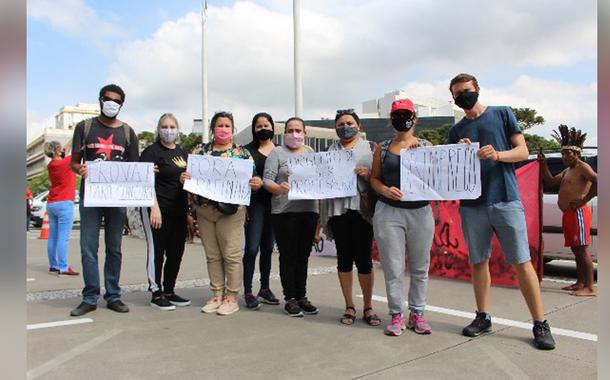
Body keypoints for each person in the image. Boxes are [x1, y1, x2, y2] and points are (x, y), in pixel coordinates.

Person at [447, 73, 555, 349]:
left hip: (505, 199)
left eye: (466, 91)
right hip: (472, 205)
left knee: (521, 261)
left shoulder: (502, 113)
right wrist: (458, 155)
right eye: (457, 94)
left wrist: (497, 155)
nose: (463, 97)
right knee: (478, 261)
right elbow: (451, 173)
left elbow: (522, 151)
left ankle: (540, 323)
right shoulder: (456, 131)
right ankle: (482, 316)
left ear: (478, 89)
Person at [181, 111, 262, 316]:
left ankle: (232, 296)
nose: (223, 129)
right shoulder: (200, 150)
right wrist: (185, 178)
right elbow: (191, 178)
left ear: (233, 129)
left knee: (232, 255)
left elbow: (253, 179)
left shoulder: (241, 153)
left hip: (231, 212)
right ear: (212, 129)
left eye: (227, 126)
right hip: (205, 210)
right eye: (219, 125)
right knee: (212, 255)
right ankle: (217, 294)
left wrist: (256, 183)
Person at [69, 84, 139, 317]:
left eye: (117, 101)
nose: (112, 104)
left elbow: (134, 168)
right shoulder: (84, 127)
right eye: (108, 99)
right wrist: (80, 169)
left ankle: (113, 295)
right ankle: (90, 296)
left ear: (122, 104)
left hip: (116, 197)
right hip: (91, 195)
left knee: (115, 248)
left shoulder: (128, 132)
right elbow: (74, 162)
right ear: (100, 100)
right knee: (88, 247)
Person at [370, 99, 434, 336]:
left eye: (406, 114)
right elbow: (374, 179)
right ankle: (396, 314)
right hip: (389, 212)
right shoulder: (383, 148)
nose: (402, 119)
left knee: (420, 267)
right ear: (391, 119)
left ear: (414, 117)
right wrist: (384, 189)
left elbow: (440, 177)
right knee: (393, 267)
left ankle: (417, 313)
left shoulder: (427, 145)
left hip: (420, 211)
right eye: (397, 115)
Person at [320, 109, 380, 326]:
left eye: (349, 122)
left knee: (364, 260)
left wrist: (368, 175)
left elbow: (381, 177)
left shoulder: (372, 148)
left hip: (362, 209)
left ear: (359, 126)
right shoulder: (327, 151)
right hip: (338, 210)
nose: (345, 127)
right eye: (341, 124)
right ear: (335, 128)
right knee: (344, 259)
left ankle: (368, 306)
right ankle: (349, 305)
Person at [263, 117, 319, 317]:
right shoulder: (276, 153)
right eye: (290, 130)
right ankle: (290, 298)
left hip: (308, 210)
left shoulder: (311, 153)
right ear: (284, 132)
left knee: (303, 256)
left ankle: (302, 296)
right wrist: (278, 188)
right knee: (288, 256)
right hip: (284, 211)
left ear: (304, 133)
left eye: (298, 130)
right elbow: (266, 180)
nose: (294, 134)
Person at [139, 113, 191, 311]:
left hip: (178, 210)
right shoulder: (151, 152)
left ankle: (169, 290)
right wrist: (154, 208)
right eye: (164, 126)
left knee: (176, 252)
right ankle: (156, 291)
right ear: (158, 129)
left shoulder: (182, 152)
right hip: (158, 209)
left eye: (172, 126)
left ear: (177, 129)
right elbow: (146, 181)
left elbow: (187, 181)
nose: (168, 130)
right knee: (157, 251)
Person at [539, 125, 597, 296]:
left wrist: (585, 199)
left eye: (568, 154)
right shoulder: (567, 170)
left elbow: (598, 180)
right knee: (576, 249)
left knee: (582, 249)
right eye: (563, 154)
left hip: (578, 213)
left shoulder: (582, 167)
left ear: (576, 154)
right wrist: (543, 165)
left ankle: (590, 287)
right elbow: (550, 182)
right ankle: (580, 282)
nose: (564, 157)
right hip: (568, 214)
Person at [242, 112, 280, 309]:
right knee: (251, 248)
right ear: (253, 129)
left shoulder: (281, 151)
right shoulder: (245, 151)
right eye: (258, 126)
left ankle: (264, 288)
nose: (263, 129)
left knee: (267, 248)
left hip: (275, 205)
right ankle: (248, 291)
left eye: (266, 125)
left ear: (273, 127)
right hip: (254, 205)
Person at [44, 140, 80, 276]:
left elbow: (66, 149)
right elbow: (75, 153)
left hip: (52, 203)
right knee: (63, 238)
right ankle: (63, 267)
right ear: (57, 150)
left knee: (52, 236)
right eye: (60, 148)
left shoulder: (51, 165)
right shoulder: (67, 162)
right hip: (65, 203)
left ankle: (53, 265)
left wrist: (70, 141)